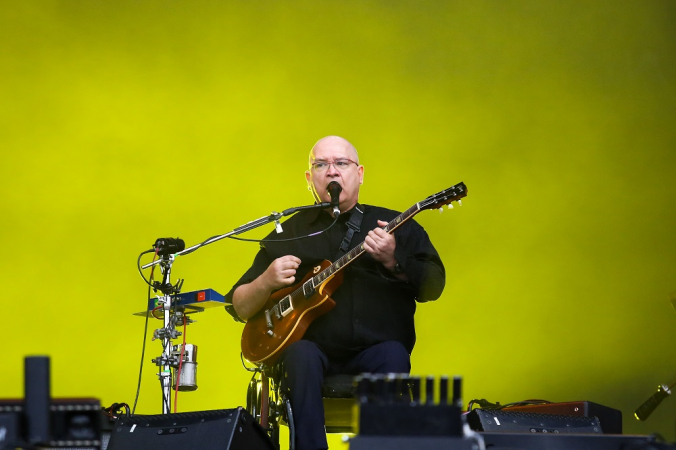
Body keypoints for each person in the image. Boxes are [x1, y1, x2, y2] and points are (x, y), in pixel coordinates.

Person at [224, 136, 445, 450]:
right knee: (300, 355)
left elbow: (433, 285)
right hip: (312, 356)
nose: (332, 172)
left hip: (377, 352)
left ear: (360, 173)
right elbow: (239, 306)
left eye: (341, 163)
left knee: (393, 354)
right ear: (309, 177)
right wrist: (266, 281)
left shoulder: (393, 226)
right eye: (321, 164)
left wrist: (392, 260)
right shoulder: (287, 233)